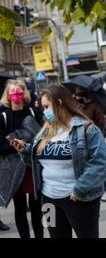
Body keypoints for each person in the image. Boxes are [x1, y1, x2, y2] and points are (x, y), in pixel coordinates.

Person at [11, 85, 106, 238]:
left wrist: (79, 189)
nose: (44, 112)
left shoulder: (86, 129)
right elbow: (38, 161)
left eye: (46, 107)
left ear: (59, 103)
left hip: (79, 199)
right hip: (48, 200)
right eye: (43, 108)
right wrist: (26, 149)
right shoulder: (46, 130)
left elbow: (100, 164)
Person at [0, 79, 43, 238]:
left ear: (24, 93)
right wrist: (16, 144)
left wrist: (29, 145)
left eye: (19, 90)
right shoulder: (3, 116)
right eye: (13, 91)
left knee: (36, 207)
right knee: (20, 208)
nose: (16, 94)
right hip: (14, 170)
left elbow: (43, 137)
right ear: (8, 95)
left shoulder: (33, 112)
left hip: (32, 167)